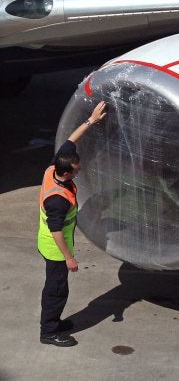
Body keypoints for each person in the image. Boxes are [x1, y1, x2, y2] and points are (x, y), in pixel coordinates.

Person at [38, 101, 107, 347]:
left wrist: (91, 120)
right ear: (66, 173)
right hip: (55, 248)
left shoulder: (55, 167)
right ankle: (48, 332)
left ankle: (53, 322)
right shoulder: (57, 199)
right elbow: (56, 230)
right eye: (76, 171)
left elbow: (70, 140)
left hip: (51, 243)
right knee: (56, 291)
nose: (79, 172)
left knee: (57, 290)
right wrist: (69, 257)